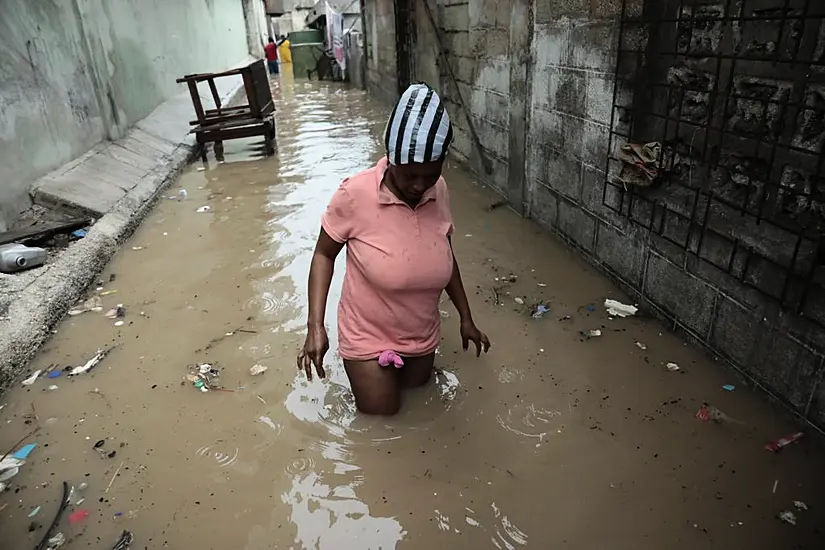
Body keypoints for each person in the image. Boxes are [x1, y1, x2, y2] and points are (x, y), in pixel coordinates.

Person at [297, 83, 491, 415]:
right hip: (367, 335)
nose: (420, 185)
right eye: (410, 175)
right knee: (383, 418)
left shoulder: (438, 190)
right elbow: (323, 254)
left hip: (421, 332)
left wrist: (466, 317)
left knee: (420, 403)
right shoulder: (354, 195)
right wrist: (316, 328)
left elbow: (444, 252)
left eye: (429, 175)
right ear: (391, 162)